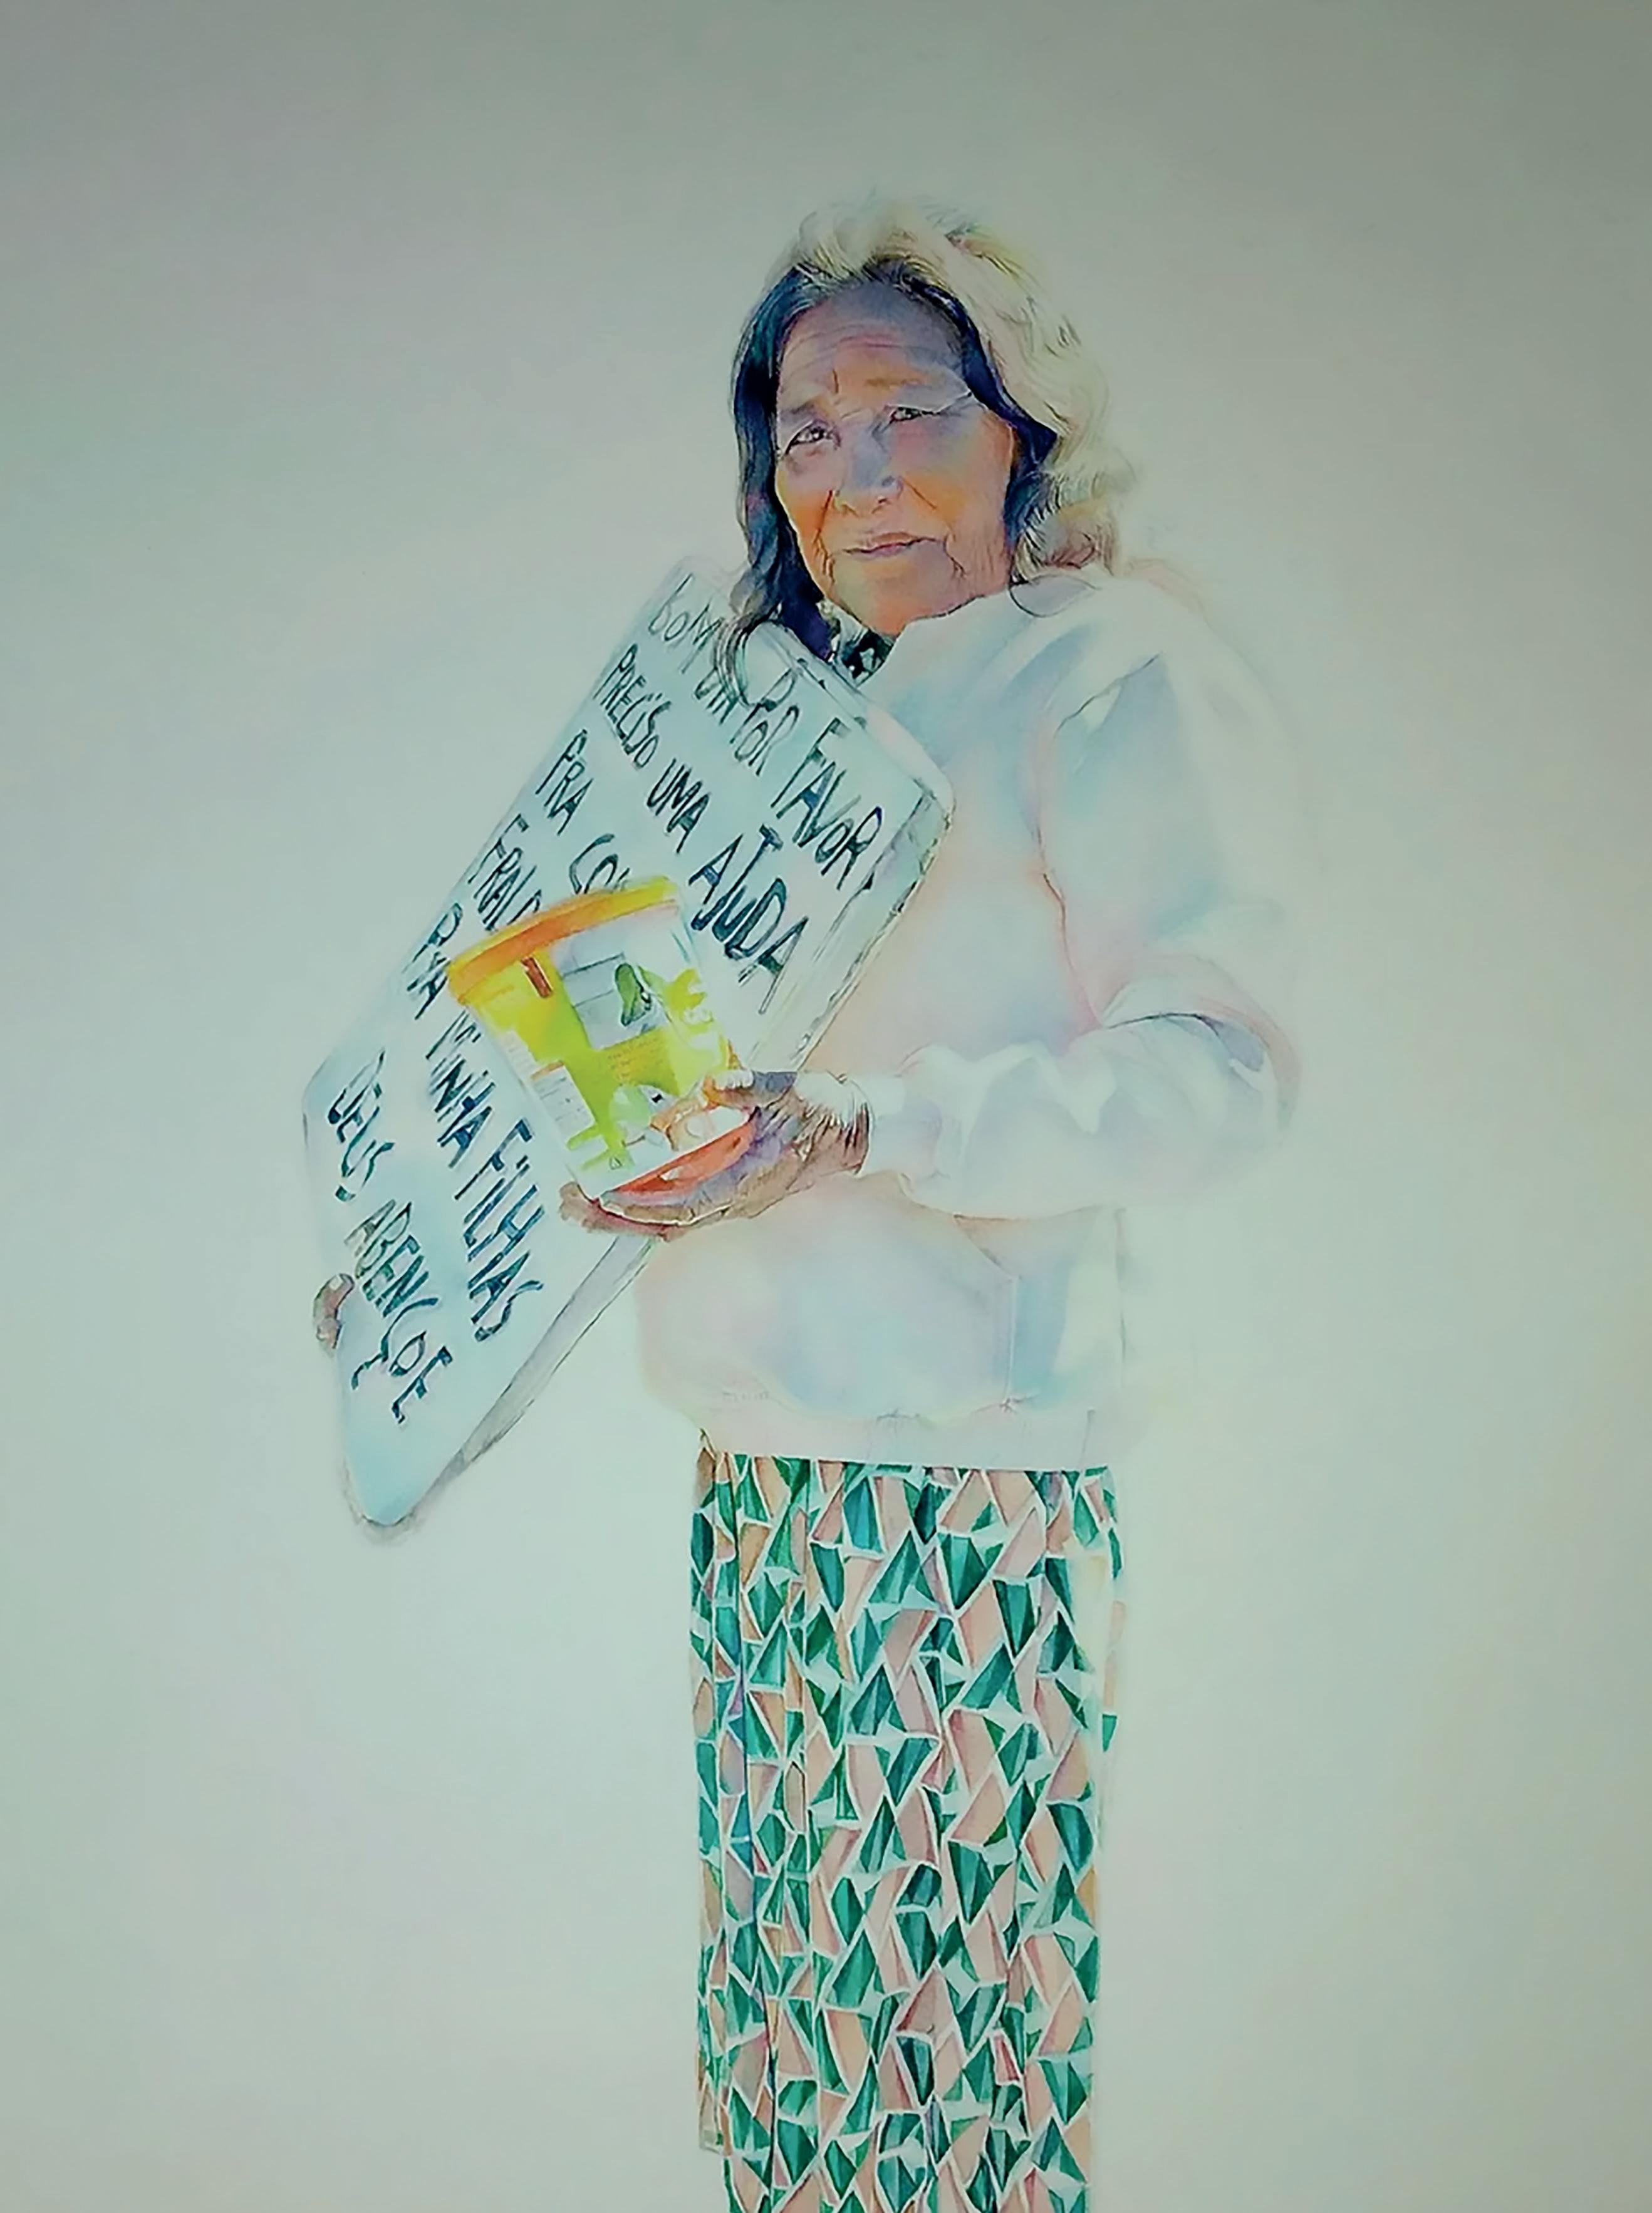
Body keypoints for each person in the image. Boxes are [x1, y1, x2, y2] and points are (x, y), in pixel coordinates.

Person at [557, 199, 1306, 2213]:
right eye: (810, 431)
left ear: (1022, 430)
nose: (859, 475)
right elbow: (677, 1076)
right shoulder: (776, 720)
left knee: (949, 2088)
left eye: (911, 414)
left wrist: (864, 1128)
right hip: (762, 1479)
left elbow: (1213, 1074)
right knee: (794, 2085)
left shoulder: (1109, 671)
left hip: (968, 1490)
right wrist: (448, 1241)